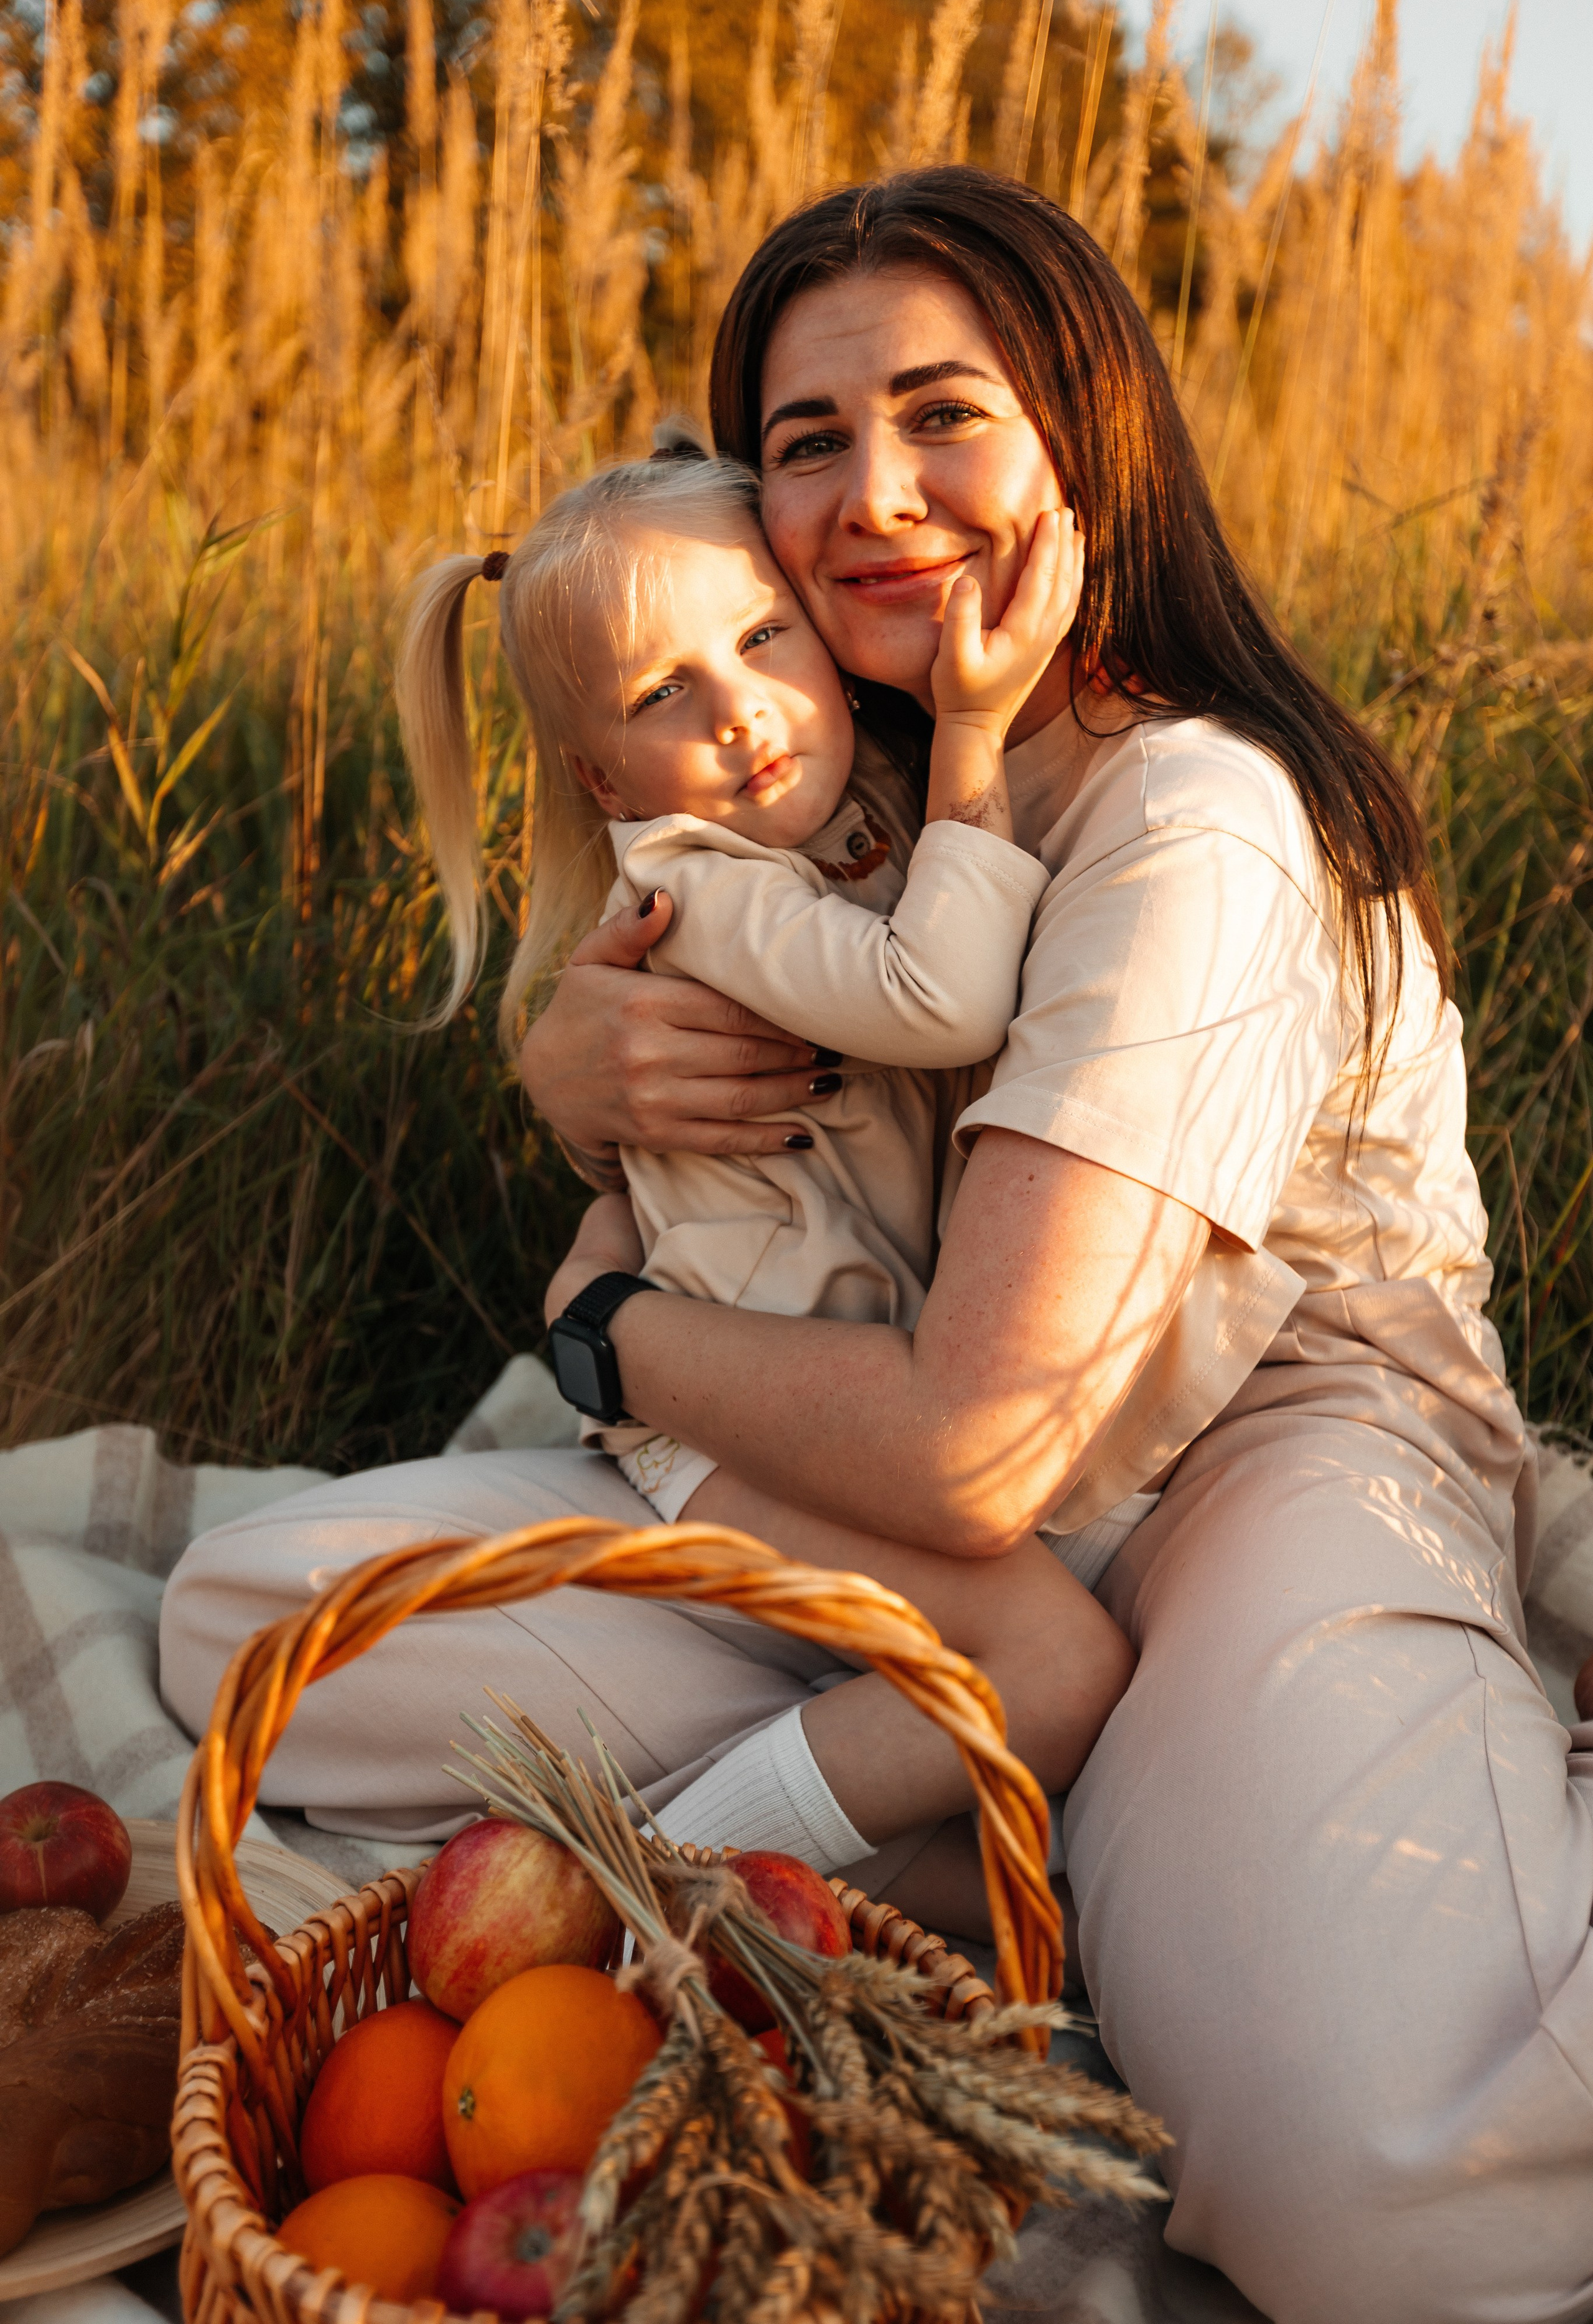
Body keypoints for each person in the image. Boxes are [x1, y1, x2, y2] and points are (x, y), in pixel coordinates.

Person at [160, 169, 1588, 2323]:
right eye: (810, 441)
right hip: (936, 1504)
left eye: (946, 416)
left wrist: (604, 1330)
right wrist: (584, 1077)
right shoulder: (835, 786)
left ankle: (1101, 1825)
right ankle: (1036, 1835)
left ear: (1086, 438)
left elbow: (973, 1448)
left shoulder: (1182, 813)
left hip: (1244, 1448)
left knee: (1404, 2199)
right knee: (244, 1627)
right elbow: (792, 1158)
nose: (876, 495)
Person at [386, 425, 1129, 1866]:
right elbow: (942, 994)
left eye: (761, 636)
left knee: (1026, 1672)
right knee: (1054, 1670)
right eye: (667, 692)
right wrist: (977, 737)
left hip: (830, 1390)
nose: (740, 712)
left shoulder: (845, 816)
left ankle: (801, 1864)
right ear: (605, 785)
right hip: (724, 1412)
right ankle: (662, 1886)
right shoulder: (700, 882)